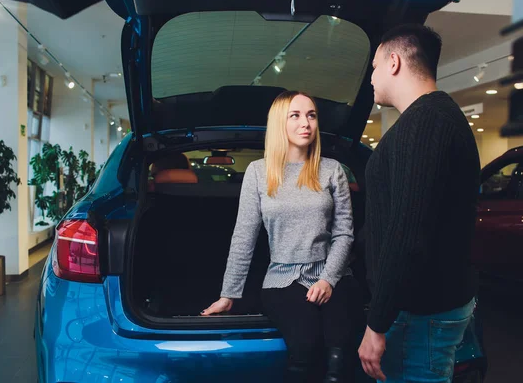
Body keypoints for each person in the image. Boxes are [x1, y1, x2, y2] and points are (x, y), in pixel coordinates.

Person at [202, 91, 362, 383]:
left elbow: (344, 234)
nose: (306, 123)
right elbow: (244, 237)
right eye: (296, 115)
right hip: (282, 279)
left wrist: (327, 280)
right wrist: (229, 295)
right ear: (280, 123)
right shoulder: (258, 172)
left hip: (333, 275)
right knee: (306, 343)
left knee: (340, 351)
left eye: (311, 115)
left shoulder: (331, 169)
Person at [358, 24, 480, 382]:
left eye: (375, 67)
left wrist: (376, 325)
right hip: (426, 307)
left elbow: (408, 233)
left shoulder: (426, 122)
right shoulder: (431, 118)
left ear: (394, 62)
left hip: (420, 312)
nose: (371, 79)